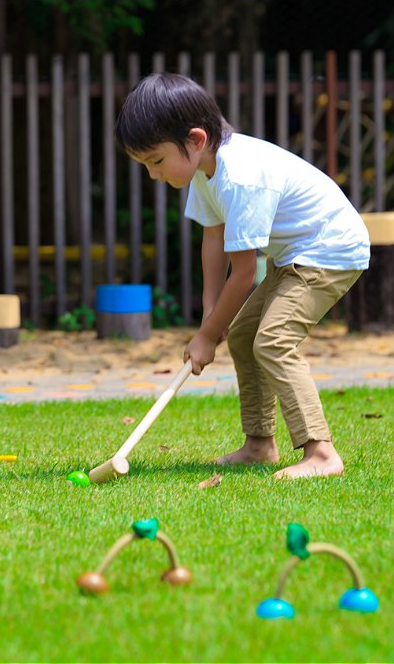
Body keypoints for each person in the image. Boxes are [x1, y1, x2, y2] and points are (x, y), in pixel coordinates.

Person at [115, 72, 370, 482]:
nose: (153, 175)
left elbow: (246, 272)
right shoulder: (206, 171)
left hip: (330, 250)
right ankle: (259, 445)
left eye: (156, 161)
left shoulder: (240, 176)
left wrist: (206, 334)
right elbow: (212, 241)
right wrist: (211, 319)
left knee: (273, 340)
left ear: (196, 139)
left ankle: (321, 453)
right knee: (242, 335)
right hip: (296, 255)